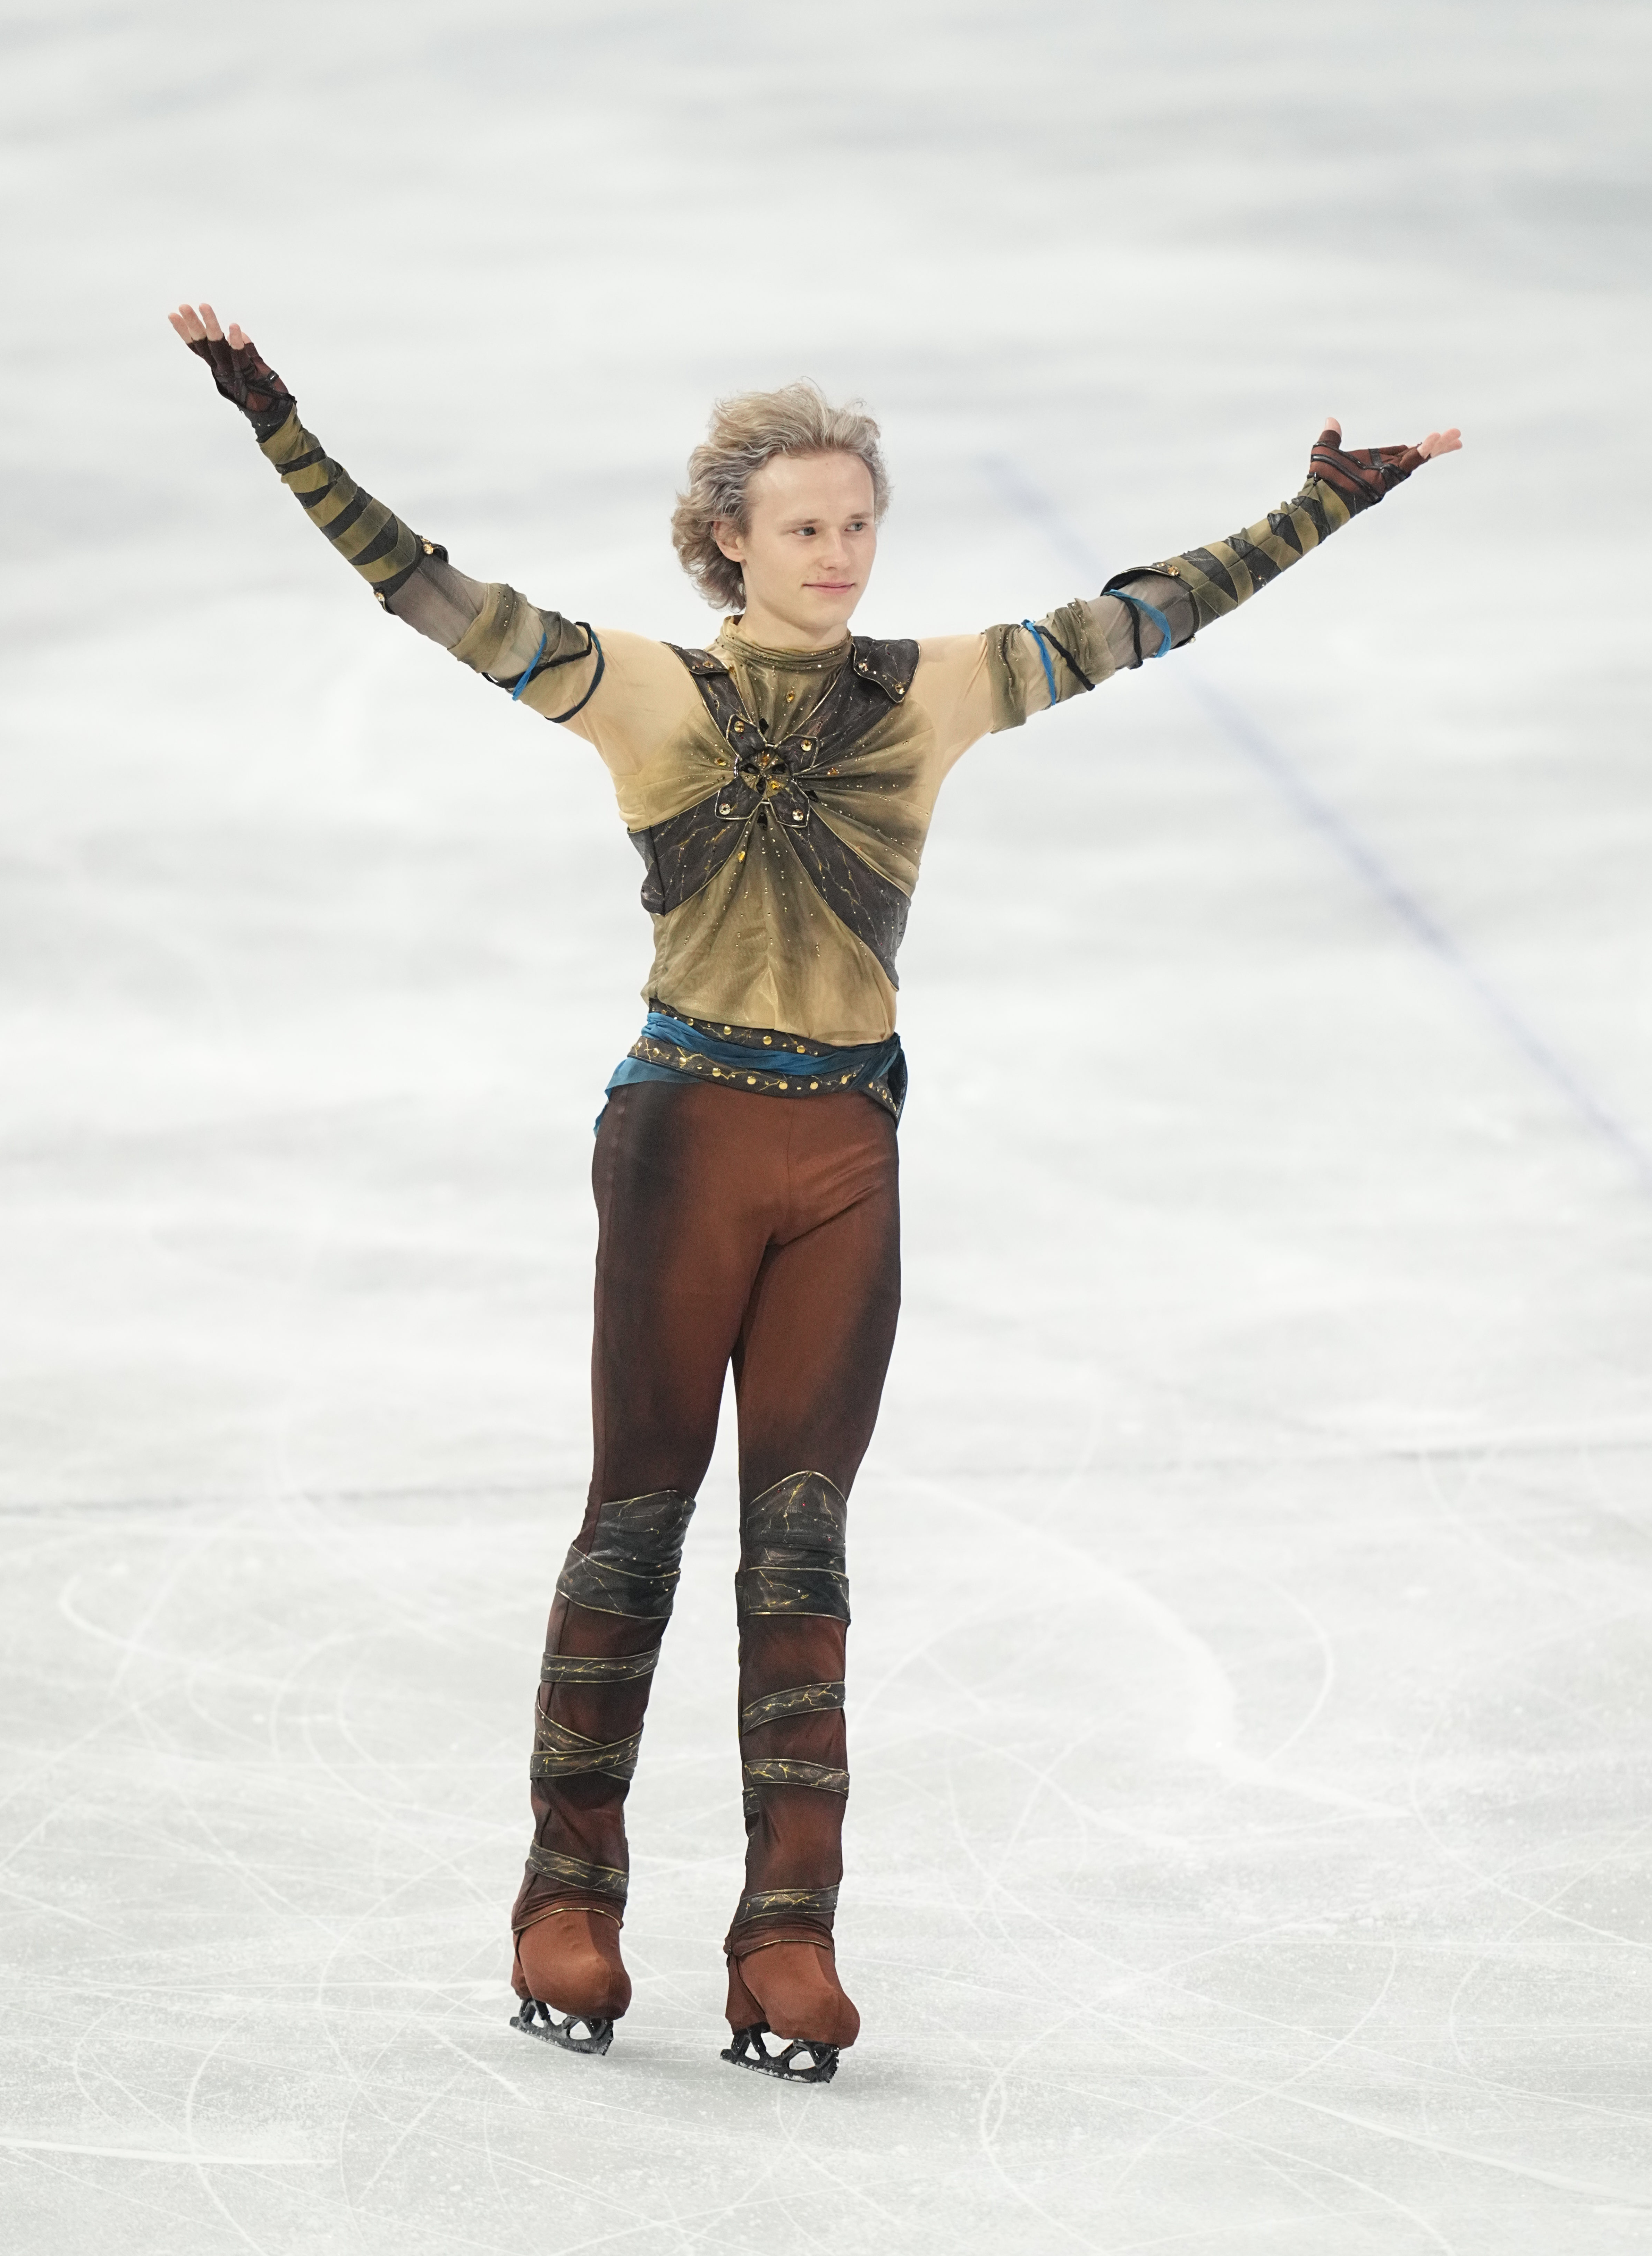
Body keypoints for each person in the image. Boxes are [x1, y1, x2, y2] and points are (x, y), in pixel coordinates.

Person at [168, 301, 1460, 2082]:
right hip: (688, 1133)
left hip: (848, 1152)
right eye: (801, 527)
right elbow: (425, 588)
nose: (839, 555)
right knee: (639, 1512)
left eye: (857, 524)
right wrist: (277, 423)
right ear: (726, 536)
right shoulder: (645, 691)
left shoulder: (926, 690)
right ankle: (569, 1892)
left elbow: (1129, 619)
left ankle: (788, 1935)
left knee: (802, 1539)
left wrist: (1316, 508)